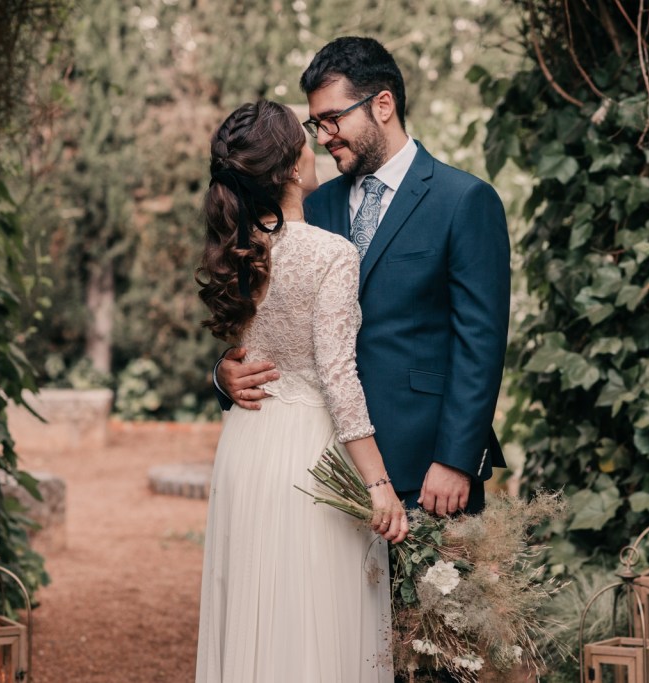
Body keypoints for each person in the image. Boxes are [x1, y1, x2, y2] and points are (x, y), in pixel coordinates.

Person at [217, 36, 510, 516]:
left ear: (383, 105)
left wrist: (455, 459)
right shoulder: (311, 206)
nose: (323, 136)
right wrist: (224, 375)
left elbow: (481, 342)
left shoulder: (464, 201)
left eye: (333, 117)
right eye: (316, 124)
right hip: (322, 470)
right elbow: (273, 316)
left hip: (426, 469)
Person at [195, 100, 407, 682]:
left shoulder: (236, 252)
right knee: (314, 614)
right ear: (292, 167)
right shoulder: (331, 254)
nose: (318, 145)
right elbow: (339, 377)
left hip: (247, 445)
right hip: (310, 457)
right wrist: (379, 486)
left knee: (255, 607)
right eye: (306, 139)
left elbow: (249, 349)